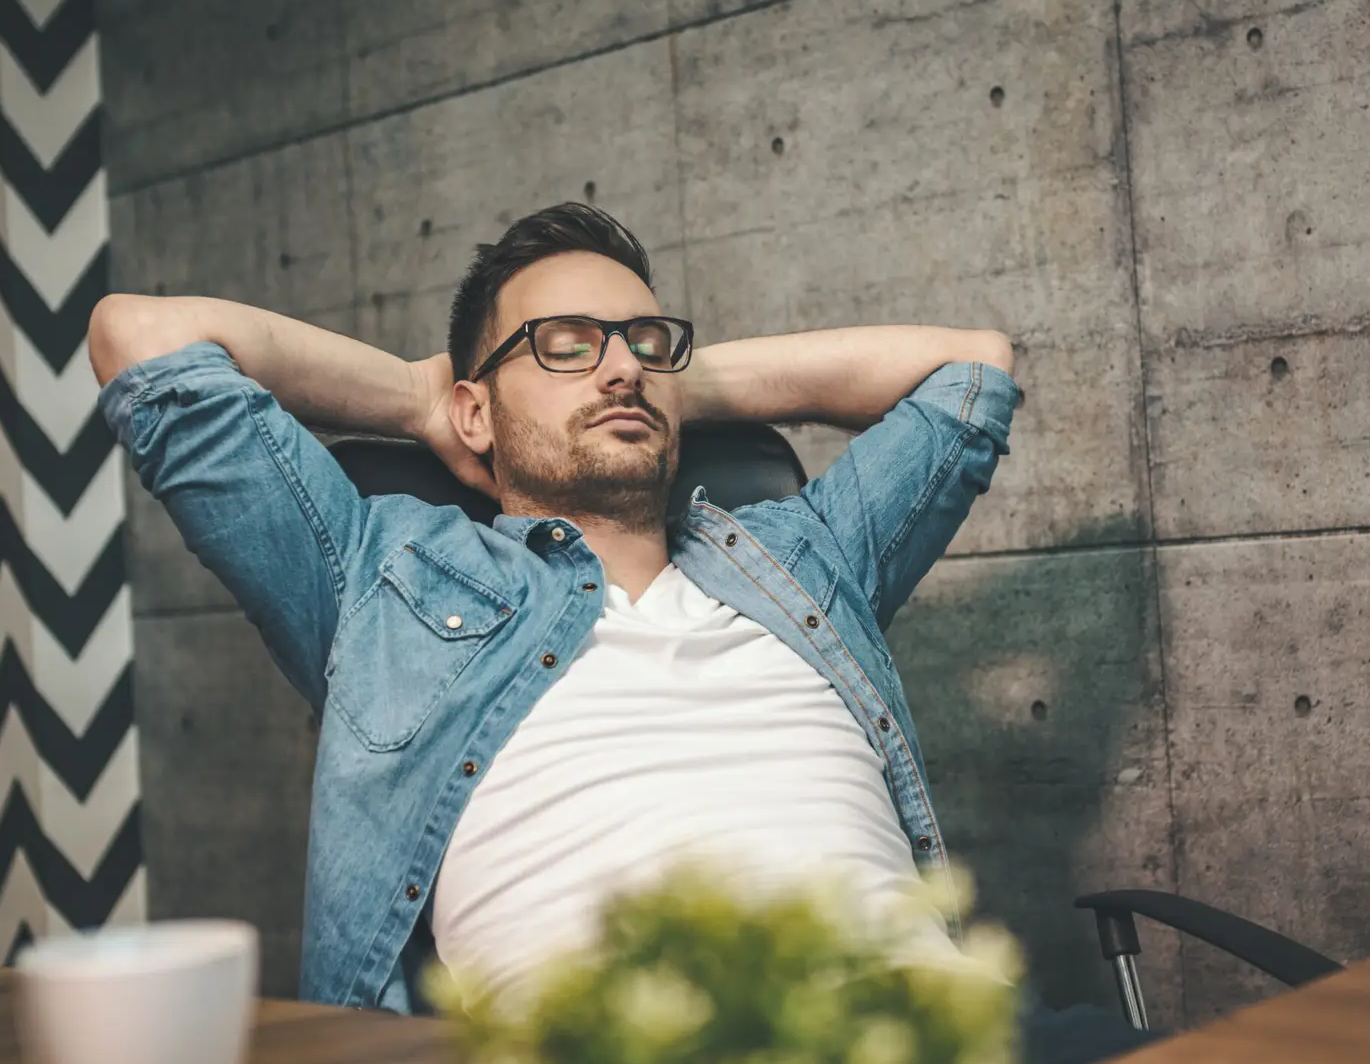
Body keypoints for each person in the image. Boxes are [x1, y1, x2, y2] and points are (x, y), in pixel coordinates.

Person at [89, 202, 1022, 1022]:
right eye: (565, 344)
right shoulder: (381, 577)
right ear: (476, 412)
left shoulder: (806, 555)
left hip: (930, 1042)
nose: (618, 368)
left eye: (645, 342)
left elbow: (971, 372)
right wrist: (420, 399)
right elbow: (142, 338)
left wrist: (646, 381)